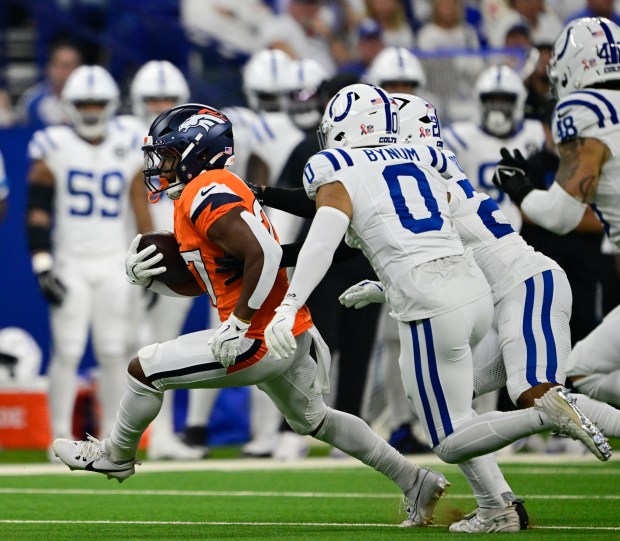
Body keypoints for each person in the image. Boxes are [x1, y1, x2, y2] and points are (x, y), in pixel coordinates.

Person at [52, 103, 451, 529]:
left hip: (258, 336)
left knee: (143, 368)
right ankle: (415, 479)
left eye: (168, 155)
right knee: (316, 420)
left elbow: (265, 253)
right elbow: (220, 275)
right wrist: (154, 280)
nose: (161, 166)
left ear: (195, 151)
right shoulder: (213, 188)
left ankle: (116, 455)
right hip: (285, 331)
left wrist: (240, 323)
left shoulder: (205, 191)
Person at [262, 82, 610, 532]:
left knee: (463, 430)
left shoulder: (346, 166)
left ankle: (543, 420)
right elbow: (424, 243)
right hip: (477, 293)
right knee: (447, 402)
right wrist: (383, 285)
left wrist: (290, 301)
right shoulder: (429, 166)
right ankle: (497, 507)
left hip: (497, 290)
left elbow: (338, 231)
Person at [26, 65, 153, 461]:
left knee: (114, 350)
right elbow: (37, 211)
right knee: (67, 349)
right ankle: (59, 436)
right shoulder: (54, 144)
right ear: (69, 105)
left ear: (112, 104)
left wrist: (149, 263)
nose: (92, 109)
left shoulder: (131, 141)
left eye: (98, 102)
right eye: (84, 103)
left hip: (115, 260)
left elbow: (140, 208)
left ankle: (113, 438)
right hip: (71, 260)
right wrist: (43, 263)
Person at [492, 17, 620, 410]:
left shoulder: (585, 109)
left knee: (581, 372)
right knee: (582, 369)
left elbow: (561, 215)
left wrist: (521, 190)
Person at [126, 59, 208, 461]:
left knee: (160, 346)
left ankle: (157, 436)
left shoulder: (184, 138)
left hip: (171, 250)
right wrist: (146, 248)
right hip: (143, 252)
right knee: (136, 347)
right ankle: (145, 436)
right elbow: (135, 191)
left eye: (167, 98)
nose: (159, 104)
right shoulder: (126, 137)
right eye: (153, 98)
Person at [442, 64, 545, 232]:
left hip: (528, 229)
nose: (498, 108)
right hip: (477, 229)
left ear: (518, 102)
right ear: (479, 101)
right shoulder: (459, 139)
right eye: (492, 100)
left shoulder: (537, 134)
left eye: (505, 100)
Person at [15, 40, 82, 130]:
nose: (71, 72)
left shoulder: (92, 100)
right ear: (51, 68)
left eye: (75, 66)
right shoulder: (32, 101)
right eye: (65, 66)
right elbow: (19, 134)